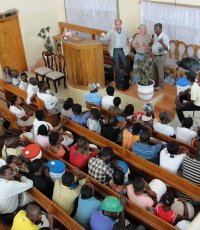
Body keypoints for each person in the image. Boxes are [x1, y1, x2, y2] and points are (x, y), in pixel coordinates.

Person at [100, 19, 132, 84]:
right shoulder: (111, 31)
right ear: (115, 24)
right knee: (117, 65)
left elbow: (130, 37)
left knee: (126, 64)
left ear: (121, 24)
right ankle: (119, 79)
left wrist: (129, 44)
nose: (117, 25)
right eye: (116, 24)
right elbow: (105, 38)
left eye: (119, 24)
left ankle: (127, 77)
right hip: (115, 50)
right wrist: (102, 36)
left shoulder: (125, 30)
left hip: (123, 49)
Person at [149, 23, 169, 91]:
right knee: (153, 71)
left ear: (160, 28)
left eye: (156, 28)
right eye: (154, 28)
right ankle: (154, 84)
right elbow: (150, 44)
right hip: (154, 55)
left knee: (160, 72)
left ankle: (160, 86)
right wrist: (151, 40)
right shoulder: (154, 35)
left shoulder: (164, 36)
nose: (154, 30)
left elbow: (167, 49)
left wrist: (161, 42)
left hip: (161, 56)